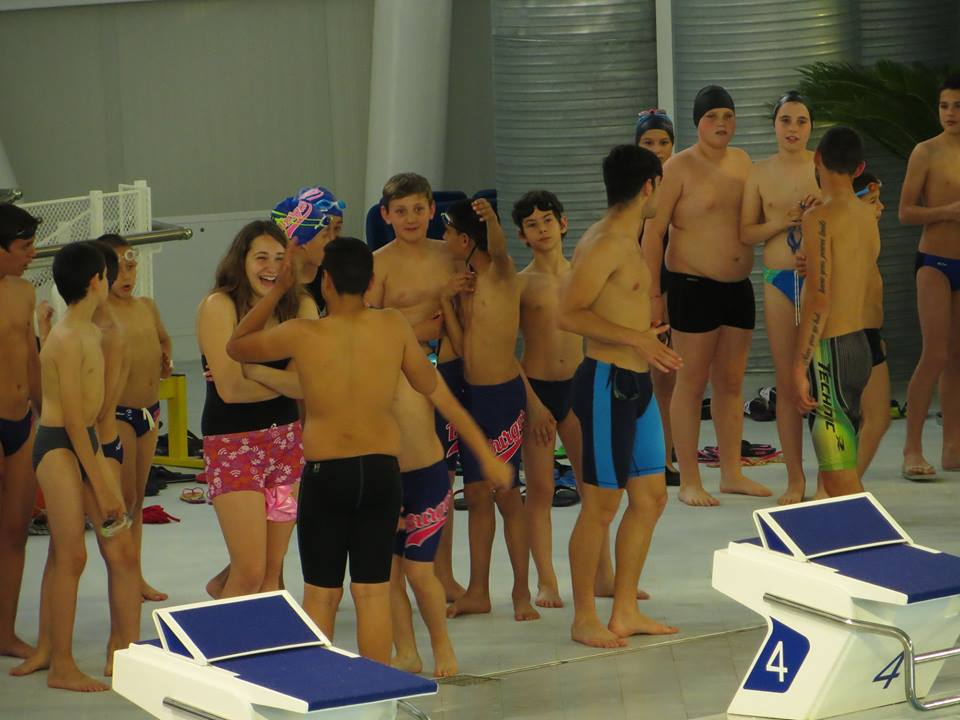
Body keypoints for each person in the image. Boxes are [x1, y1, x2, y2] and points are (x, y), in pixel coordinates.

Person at [225, 236, 512, 664]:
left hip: (327, 475)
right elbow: (432, 388)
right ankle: (376, 691)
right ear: (371, 281)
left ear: (325, 283)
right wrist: (486, 455)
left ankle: (321, 691)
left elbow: (237, 344)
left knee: (322, 595)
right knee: (372, 592)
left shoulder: (303, 333)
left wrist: (281, 289)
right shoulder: (392, 326)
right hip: (381, 474)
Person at [558, 144, 683, 649]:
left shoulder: (630, 238)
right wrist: (636, 338)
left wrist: (643, 335)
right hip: (607, 383)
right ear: (649, 185)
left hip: (638, 384)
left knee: (651, 498)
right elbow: (568, 313)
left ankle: (625, 610)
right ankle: (583, 617)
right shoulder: (605, 242)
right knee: (601, 506)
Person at [642, 85, 771, 506]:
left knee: (731, 384)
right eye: (712, 116)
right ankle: (690, 480)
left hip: (738, 287)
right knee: (691, 384)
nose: (721, 123)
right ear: (697, 123)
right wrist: (654, 296)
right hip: (692, 287)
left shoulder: (743, 162)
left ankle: (731, 473)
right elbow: (652, 234)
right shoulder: (677, 168)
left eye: (727, 116)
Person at [12, 242, 132, 691]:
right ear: (97, 280)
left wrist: (103, 480)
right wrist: (102, 484)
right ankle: (61, 664)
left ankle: (51, 649)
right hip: (59, 447)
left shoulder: (84, 333)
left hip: (82, 444)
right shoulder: (70, 337)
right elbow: (75, 423)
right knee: (71, 554)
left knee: (80, 552)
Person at [196, 220, 318, 599]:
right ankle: (223, 632)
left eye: (279, 258)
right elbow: (231, 392)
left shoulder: (301, 305)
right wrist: (282, 381)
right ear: (241, 261)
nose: (271, 267)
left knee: (270, 571)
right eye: (261, 258)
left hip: (285, 446)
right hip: (233, 447)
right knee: (249, 572)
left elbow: (305, 386)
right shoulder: (219, 306)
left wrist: (251, 370)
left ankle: (224, 593)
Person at [441, 198, 548, 623]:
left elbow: (500, 251)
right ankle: (478, 591)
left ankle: (521, 590)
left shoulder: (501, 274)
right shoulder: (466, 283)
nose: (444, 239)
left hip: (502, 397)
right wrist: (446, 301)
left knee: (506, 494)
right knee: (476, 495)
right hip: (471, 396)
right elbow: (461, 343)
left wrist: (489, 219)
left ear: (467, 239)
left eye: (449, 233)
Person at [364, 173, 466, 602]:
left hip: (450, 370)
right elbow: (367, 327)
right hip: (403, 380)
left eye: (418, 209)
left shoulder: (451, 254)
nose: (410, 218)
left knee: (444, 478)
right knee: (409, 473)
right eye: (401, 211)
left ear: (432, 210)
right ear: (385, 215)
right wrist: (421, 328)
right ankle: (400, 572)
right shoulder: (378, 264)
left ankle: (443, 573)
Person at [740, 91, 819, 504]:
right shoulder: (759, 172)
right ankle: (795, 478)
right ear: (774, 125)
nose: (793, 129)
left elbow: (850, 214)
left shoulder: (823, 168)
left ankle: (832, 474)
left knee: (824, 379)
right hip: (778, 280)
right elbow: (745, 233)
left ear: (811, 127)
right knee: (788, 380)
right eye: (786, 120)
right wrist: (781, 222)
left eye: (801, 121)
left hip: (819, 282)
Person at [792, 127, 879, 497]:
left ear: (817, 158)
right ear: (858, 168)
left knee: (840, 481)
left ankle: (873, 535)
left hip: (830, 353)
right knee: (837, 473)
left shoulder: (819, 218)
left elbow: (819, 299)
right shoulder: (867, 216)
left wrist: (799, 365)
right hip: (859, 345)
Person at [511, 190, 585, 608]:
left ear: (563, 223)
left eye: (547, 221)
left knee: (593, 488)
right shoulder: (520, 285)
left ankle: (602, 574)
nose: (541, 229)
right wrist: (533, 402)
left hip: (578, 386)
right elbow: (505, 349)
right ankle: (547, 581)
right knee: (539, 490)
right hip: (537, 389)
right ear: (522, 236)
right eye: (532, 224)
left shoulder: (582, 275)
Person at [98, 234, 172, 601]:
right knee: (124, 501)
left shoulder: (147, 306)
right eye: (118, 270)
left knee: (138, 500)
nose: (127, 276)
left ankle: (136, 575)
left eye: (131, 267)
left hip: (150, 411)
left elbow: (163, 339)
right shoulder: (100, 314)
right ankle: (123, 575)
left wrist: (165, 358)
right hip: (119, 414)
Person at [899, 74, 960, 479]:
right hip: (935, 262)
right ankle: (911, 449)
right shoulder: (926, 152)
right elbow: (905, 212)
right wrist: (946, 211)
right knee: (935, 354)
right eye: (944, 106)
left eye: (958, 106)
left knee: (957, 358)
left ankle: (953, 447)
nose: (950, 113)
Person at [0, 203, 41, 661]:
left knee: (15, 532)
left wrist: (47, 417)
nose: (32, 254)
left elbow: (31, 356)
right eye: (24, 246)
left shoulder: (24, 291)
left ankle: (5, 632)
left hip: (21, 421)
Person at [636, 109, 680, 487]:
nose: (657, 149)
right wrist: (652, 298)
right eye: (648, 142)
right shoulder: (633, 191)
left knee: (673, 380)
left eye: (663, 142)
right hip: (646, 294)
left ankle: (668, 449)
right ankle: (659, 457)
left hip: (677, 287)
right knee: (654, 380)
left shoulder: (680, 182)